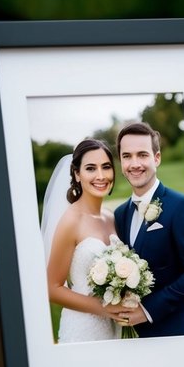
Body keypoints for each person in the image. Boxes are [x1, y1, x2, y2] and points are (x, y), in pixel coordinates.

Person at [112, 121, 184, 336]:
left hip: (174, 331)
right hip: (133, 336)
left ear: (157, 158)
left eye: (142, 155)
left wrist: (146, 311)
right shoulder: (120, 214)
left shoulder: (181, 205)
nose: (134, 163)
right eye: (127, 156)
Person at [42, 139, 120, 343]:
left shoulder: (110, 216)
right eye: (90, 168)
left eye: (106, 167)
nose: (101, 176)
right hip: (84, 329)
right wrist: (105, 309)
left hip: (115, 327)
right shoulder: (70, 221)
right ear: (77, 174)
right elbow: (52, 288)